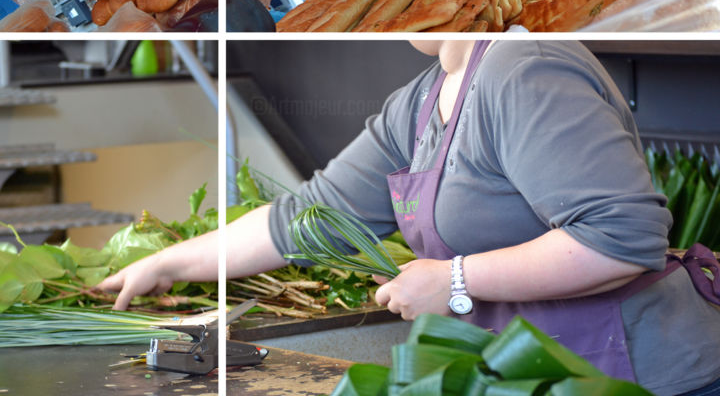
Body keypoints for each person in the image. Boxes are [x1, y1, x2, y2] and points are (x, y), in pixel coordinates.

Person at [99, 40, 720, 395]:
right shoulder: (422, 100)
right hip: (546, 371)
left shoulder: (522, 69)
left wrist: (452, 280)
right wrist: (167, 263)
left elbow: (621, 241)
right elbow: (311, 216)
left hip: (651, 375)